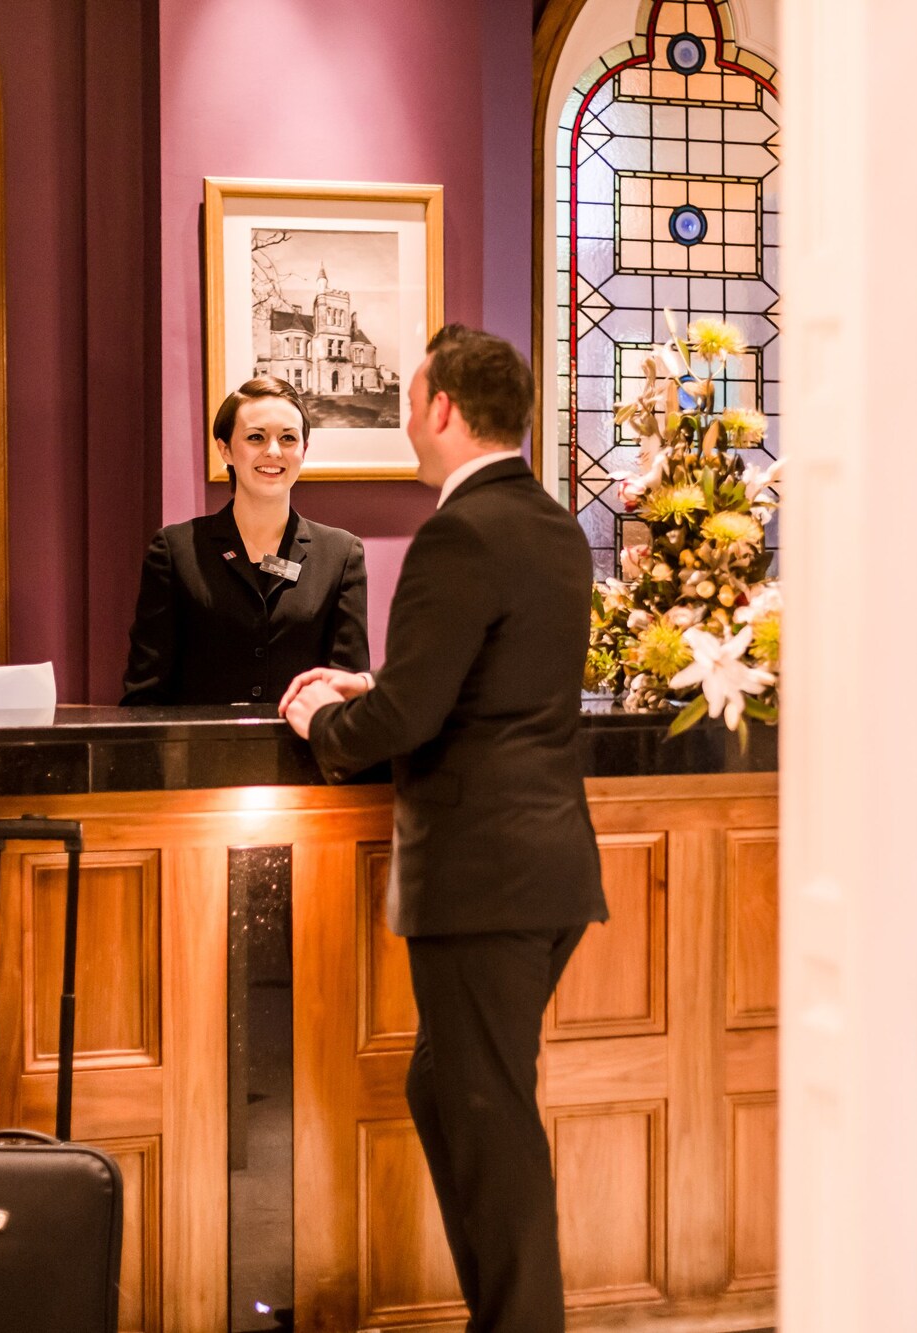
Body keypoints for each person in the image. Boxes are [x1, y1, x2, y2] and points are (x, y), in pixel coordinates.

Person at [280, 326, 607, 1333]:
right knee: (449, 1090)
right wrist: (372, 678)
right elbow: (487, 675)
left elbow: (404, 723)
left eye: (409, 400)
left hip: (482, 877)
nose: (402, 418)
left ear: (442, 411)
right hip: (544, 867)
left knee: (488, 1120)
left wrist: (316, 717)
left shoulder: (459, 532)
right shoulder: (551, 523)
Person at [121, 376, 369, 706]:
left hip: (304, 754)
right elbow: (145, 694)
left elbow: (347, 693)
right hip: (198, 755)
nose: (274, 451)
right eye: (256, 437)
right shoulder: (175, 550)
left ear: (303, 451)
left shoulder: (341, 554)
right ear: (225, 448)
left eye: (288, 438)